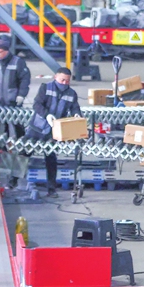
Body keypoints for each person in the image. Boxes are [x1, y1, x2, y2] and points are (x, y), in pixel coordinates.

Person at [24, 67, 82, 195]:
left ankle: (51, 188)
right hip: (37, 128)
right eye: (62, 80)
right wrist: (47, 115)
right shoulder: (46, 88)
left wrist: (77, 115)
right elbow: (37, 105)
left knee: (51, 159)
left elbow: (75, 108)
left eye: (67, 81)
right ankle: (13, 181)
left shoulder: (71, 94)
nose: (64, 83)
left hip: (53, 132)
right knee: (24, 153)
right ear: (55, 77)